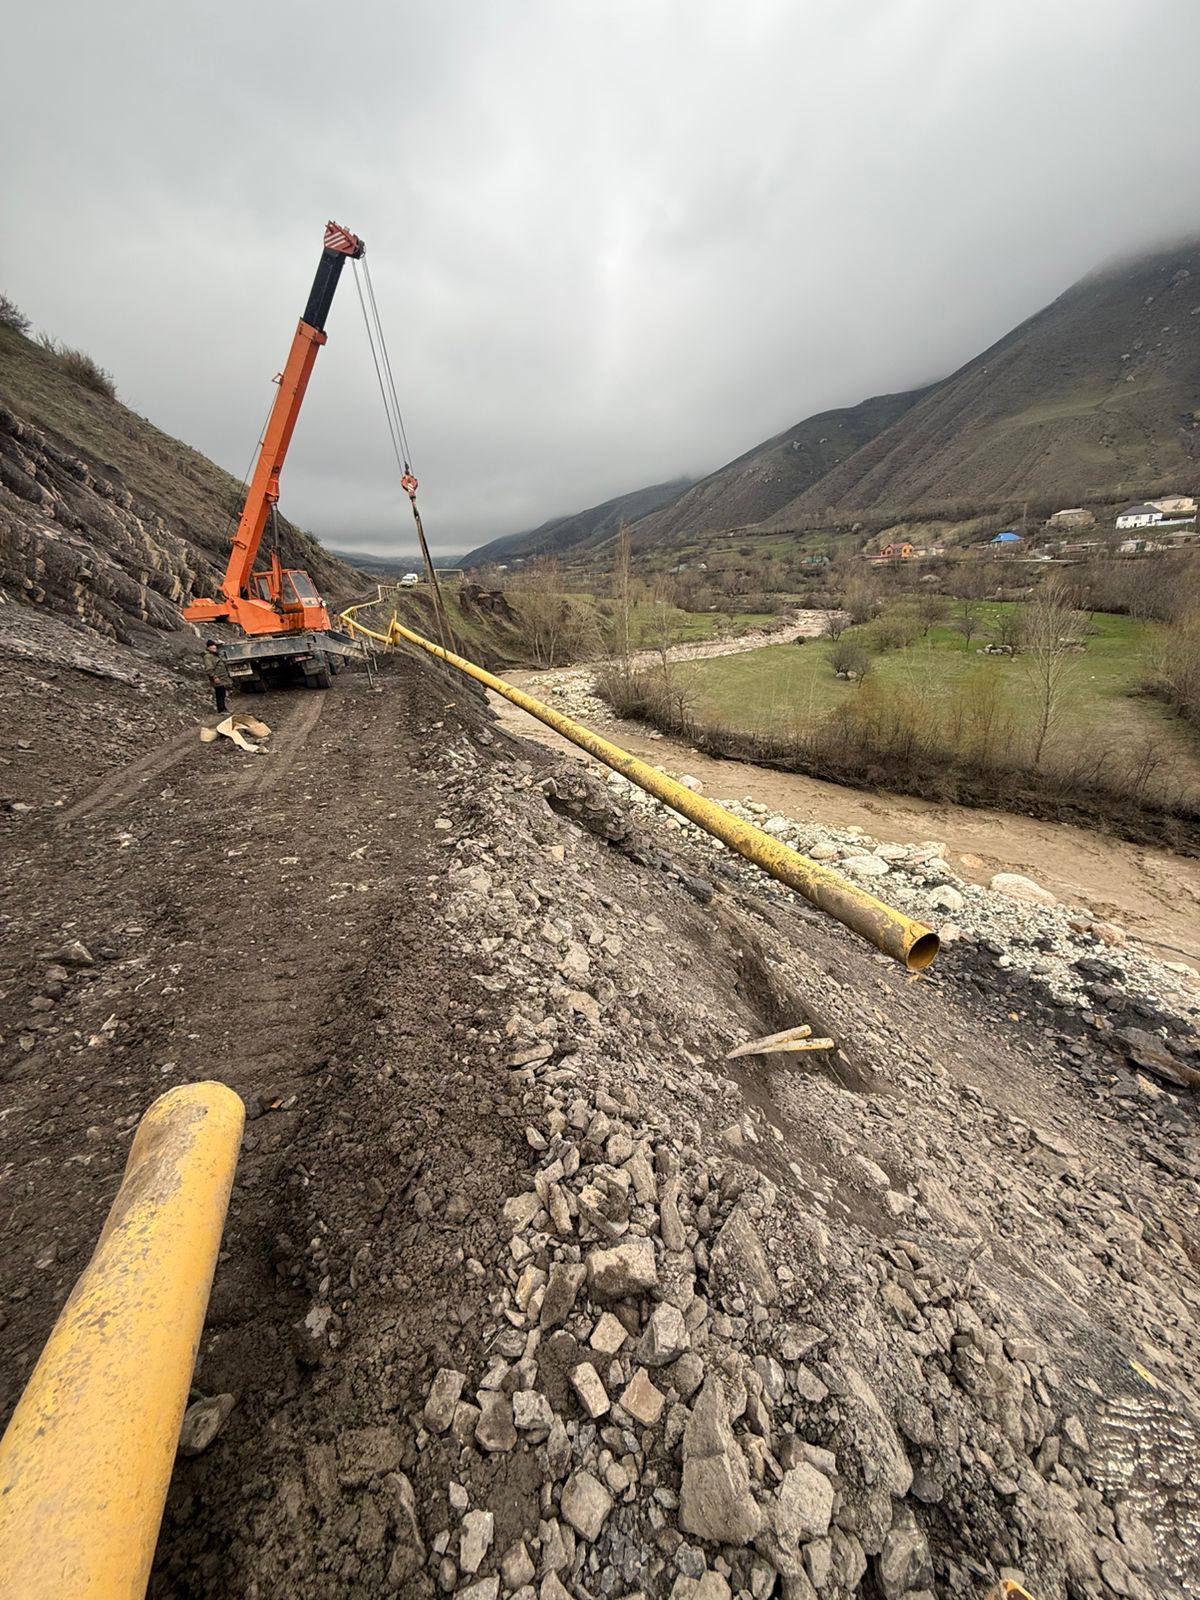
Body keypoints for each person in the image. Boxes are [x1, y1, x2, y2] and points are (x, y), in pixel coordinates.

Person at [204, 640, 232, 714]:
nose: (214, 647)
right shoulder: (208, 657)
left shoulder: (215, 654)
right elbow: (209, 668)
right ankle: (221, 710)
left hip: (221, 677)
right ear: (208, 647)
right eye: (212, 646)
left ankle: (224, 708)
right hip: (217, 678)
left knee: (222, 693)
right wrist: (214, 677)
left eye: (214, 645)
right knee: (219, 693)